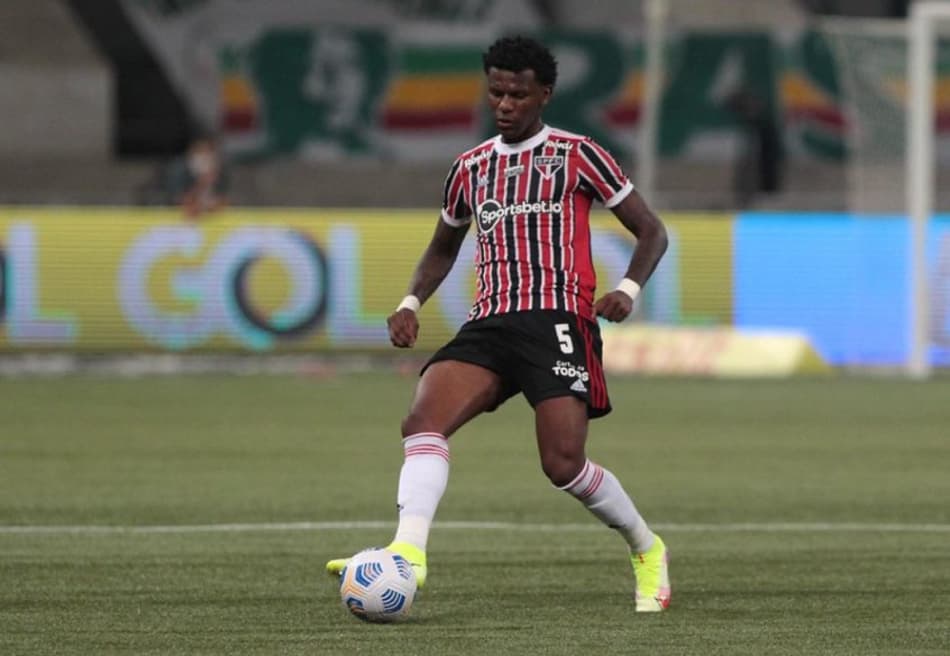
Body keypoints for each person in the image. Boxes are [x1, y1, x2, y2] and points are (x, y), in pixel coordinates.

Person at [327, 35, 671, 612]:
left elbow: (652, 231)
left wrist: (628, 289)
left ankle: (647, 547)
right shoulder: (470, 167)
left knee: (562, 465)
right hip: (489, 323)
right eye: (496, 93)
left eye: (518, 95)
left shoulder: (578, 154)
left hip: (557, 320)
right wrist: (410, 302)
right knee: (423, 421)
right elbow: (442, 247)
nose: (505, 104)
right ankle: (408, 554)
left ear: (545, 94)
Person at [163, 135, 230, 219]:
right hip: (178, 219)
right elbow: (176, 200)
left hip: (213, 219)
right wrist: (201, 184)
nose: (204, 157)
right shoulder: (179, 171)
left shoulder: (221, 172)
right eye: (200, 152)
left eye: (208, 152)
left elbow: (224, 200)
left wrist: (214, 204)